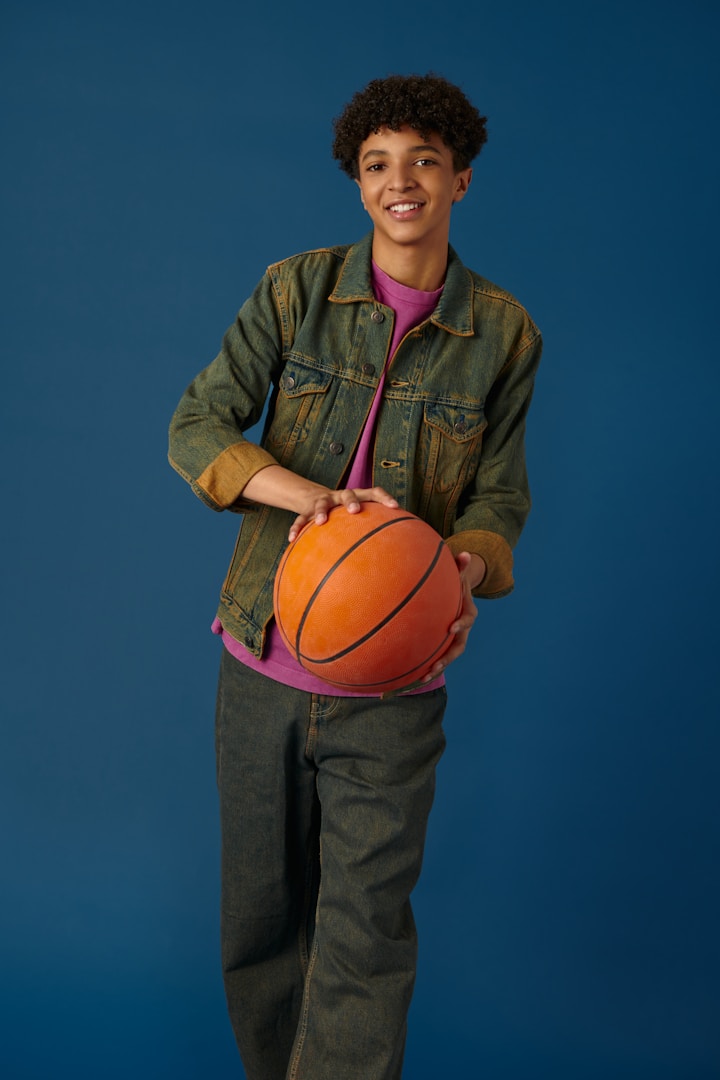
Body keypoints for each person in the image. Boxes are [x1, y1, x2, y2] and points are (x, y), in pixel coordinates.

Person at [168, 72, 541, 1080]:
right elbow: (196, 428)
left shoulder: (504, 334)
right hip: (261, 659)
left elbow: (500, 500)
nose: (400, 181)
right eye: (378, 164)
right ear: (358, 181)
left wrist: (461, 567)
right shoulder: (295, 291)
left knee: (364, 937)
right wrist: (312, 500)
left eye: (424, 160)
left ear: (461, 178)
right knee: (260, 930)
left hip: (394, 692)